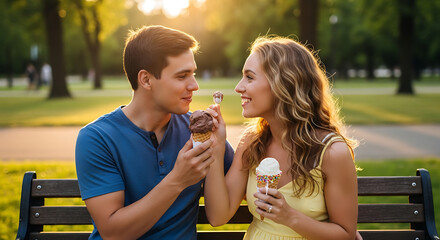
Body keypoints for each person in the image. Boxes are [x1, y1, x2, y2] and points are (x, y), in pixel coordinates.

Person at [75, 25, 234, 240]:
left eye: (193, 74)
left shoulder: (198, 130)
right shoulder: (97, 138)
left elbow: (239, 192)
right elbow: (113, 233)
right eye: (182, 76)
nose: (194, 85)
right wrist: (178, 179)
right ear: (146, 80)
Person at [204, 36, 360, 239]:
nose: (238, 87)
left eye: (249, 77)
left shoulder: (332, 152)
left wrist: (290, 217)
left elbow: (346, 235)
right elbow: (218, 217)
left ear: (283, 83)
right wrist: (216, 147)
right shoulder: (252, 142)